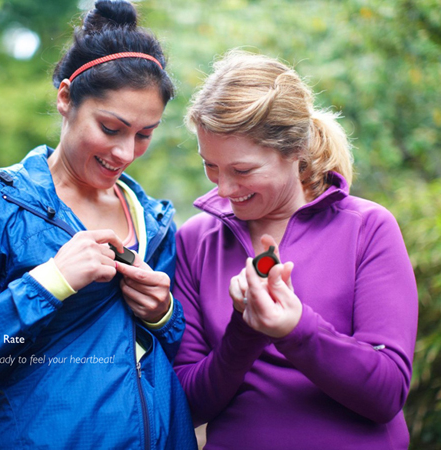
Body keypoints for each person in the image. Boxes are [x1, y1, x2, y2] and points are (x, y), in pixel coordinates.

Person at [0, 2, 197, 448]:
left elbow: (184, 359)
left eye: (144, 134)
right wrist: (49, 284)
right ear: (65, 98)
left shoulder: (154, 222)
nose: (126, 152)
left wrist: (164, 315)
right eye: (111, 127)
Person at [173, 50, 418, 449]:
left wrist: (296, 329)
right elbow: (187, 403)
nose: (222, 190)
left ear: (295, 151)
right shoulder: (197, 240)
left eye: (243, 170)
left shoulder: (367, 228)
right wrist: (244, 331)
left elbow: (387, 392)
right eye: (210, 166)